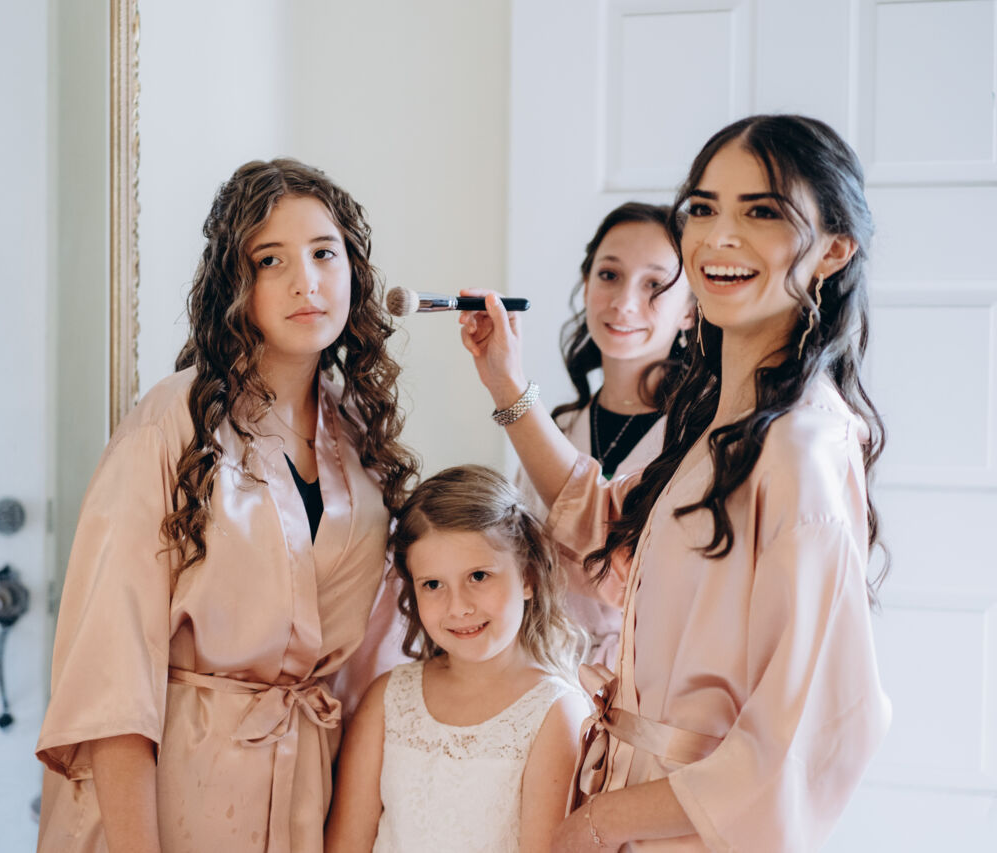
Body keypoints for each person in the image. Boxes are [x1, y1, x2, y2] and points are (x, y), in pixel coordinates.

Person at [459, 114, 890, 851]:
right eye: (703, 208)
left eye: (761, 211)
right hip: (631, 797)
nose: (720, 236)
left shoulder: (800, 449)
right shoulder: (724, 422)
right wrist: (505, 382)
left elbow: (808, 737)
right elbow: (603, 525)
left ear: (833, 250)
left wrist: (596, 823)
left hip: (686, 828)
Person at [35, 158, 418, 853]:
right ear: (235, 285)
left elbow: (376, 673)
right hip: (168, 796)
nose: (306, 281)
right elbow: (111, 670)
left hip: (308, 798)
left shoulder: (361, 438)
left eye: (324, 253)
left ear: (354, 270)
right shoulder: (173, 422)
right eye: (271, 260)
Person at [326, 465, 590, 853]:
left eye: (478, 576)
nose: (459, 607)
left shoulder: (556, 713)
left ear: (528, 577)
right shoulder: (388, 698)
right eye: (433, 584)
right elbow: (346, 844)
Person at [514, 202, 694, 666]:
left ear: (691, 311)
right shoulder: (555, 431)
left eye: (655, 285)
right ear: (586, 283)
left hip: (649, 682)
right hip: (540, 677)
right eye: (609, 275)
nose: (624, 302)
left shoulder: (698, 440)